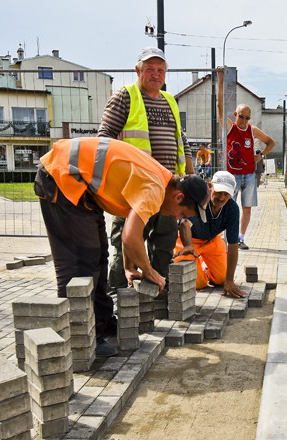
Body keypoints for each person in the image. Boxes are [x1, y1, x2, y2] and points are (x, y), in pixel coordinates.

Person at [35, 137, 209, 355]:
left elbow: (130, 230)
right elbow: (130, 237)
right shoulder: (155, 189)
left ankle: (101, 321)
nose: (177, 217)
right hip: (61, 177)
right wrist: (149, 271)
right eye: (182, 213)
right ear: (179, 196)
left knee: (98, 255)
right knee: (80, 262)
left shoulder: (161, 181)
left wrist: (129, 268)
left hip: (79, 185)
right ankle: (79, 337)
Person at [98, 47, 195, 291]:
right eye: (149, 69)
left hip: (168, 190)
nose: (155, 74)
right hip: (134, 189)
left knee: (163, 244)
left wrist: (190, 176)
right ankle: (117, 297)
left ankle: (158, 295)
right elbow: (104, 139)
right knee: (127, 244)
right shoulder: (126, 96)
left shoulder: (170, 100)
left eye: (160, 70)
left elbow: (181, 141)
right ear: (138, 71)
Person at [173, 171, 246, 298]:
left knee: (222, 279)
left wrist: (229, 280)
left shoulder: (232, 209)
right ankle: (195, 262)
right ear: (210, 186)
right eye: (219, 192)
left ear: (233, 193)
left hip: (212, 241)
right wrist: (189, 247)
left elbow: (233, 244)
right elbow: (185, 224)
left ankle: (205, 266)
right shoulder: (199, 199)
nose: (222, 198)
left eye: (226, 194)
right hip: (188, 241)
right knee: (197, 283)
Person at [226, 104, 275, 250]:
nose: (244, 120)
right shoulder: (231, 127)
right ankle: (229, 239)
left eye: (247, 117)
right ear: (236, 114)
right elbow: (220, 110)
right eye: (241, 116)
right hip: (232, 175)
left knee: (247, 208)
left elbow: (271, 142)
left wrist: (261, 155)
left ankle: (240, 238)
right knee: (229, 207)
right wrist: (221, 84)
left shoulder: (252, 130)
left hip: (248, 174)